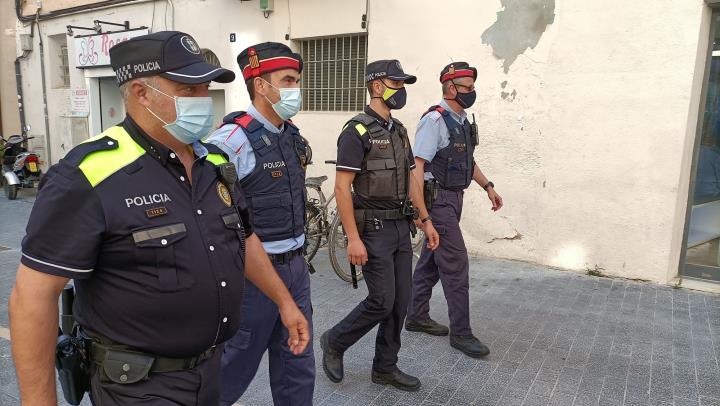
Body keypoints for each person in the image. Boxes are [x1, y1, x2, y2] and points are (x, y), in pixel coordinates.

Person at [8, 31, 308, 405]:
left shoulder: (213, 163)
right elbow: (33, 295)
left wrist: (284, 302)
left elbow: (244, 239)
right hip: (139, 386)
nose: (203, 100)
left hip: (208, 373)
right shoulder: (88, 175)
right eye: (188, 90)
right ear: (141, 93)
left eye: (205, 89)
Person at [205, 42, 315, 406]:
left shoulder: (291, 136)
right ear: (261, 85)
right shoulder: (232, 141)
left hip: (296, 269)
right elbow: (209, 213)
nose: (295, 88)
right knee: (233, 368)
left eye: (297, 80)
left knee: (297, 366)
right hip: (254, 277)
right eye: (287, 80)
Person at [320, 59, 439, 392]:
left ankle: (385, 367)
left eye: (402, 85)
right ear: (376, 86)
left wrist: (425, 219)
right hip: (372, 229)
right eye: (395, 83)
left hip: (401, 227)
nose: (400, 91)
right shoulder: (356, 131)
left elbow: (413, 179)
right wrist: (353, 238)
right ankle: (335, 340)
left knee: (401, 303)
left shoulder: (399, 130)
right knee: (381, 300)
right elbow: (342, 187)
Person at [405, 62, 503, 358]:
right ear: (450, 88)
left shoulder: (461, 121)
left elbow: (466, 162)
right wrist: (422, 213)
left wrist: (488, 186)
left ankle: (416, 315)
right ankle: (462, 333)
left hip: (454, 199)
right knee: (456, 265)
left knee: (431, 263)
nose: (472, 91)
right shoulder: (434, 121)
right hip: (438, 202)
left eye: (473, 86)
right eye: (467, 87)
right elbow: (416, 168)